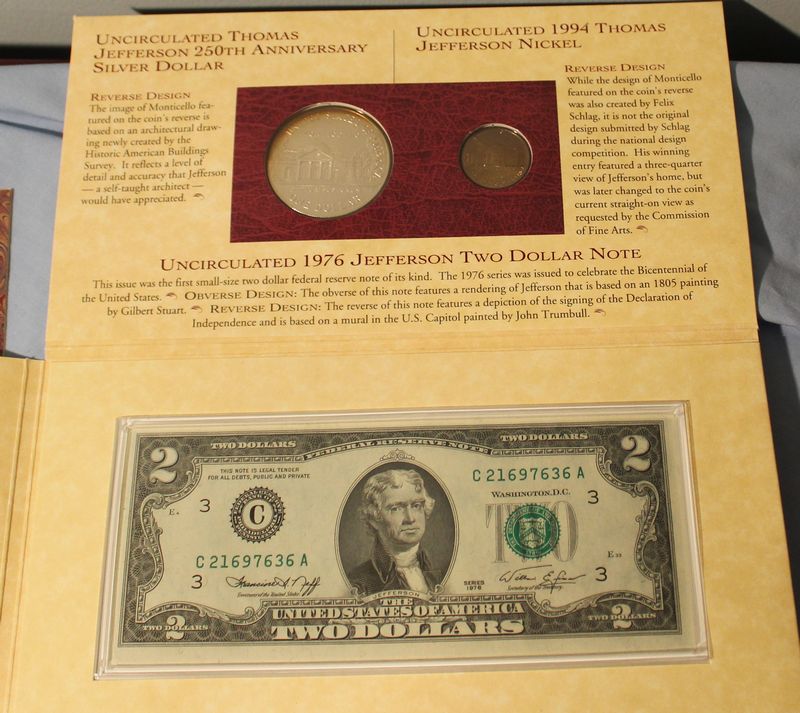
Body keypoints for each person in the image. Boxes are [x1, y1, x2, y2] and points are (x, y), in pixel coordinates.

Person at [346, 468, 442, 596]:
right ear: (374, 518)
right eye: (396, 508)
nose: (410, 519)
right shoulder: (358, 582)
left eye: (416, 506)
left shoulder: (440, 571)